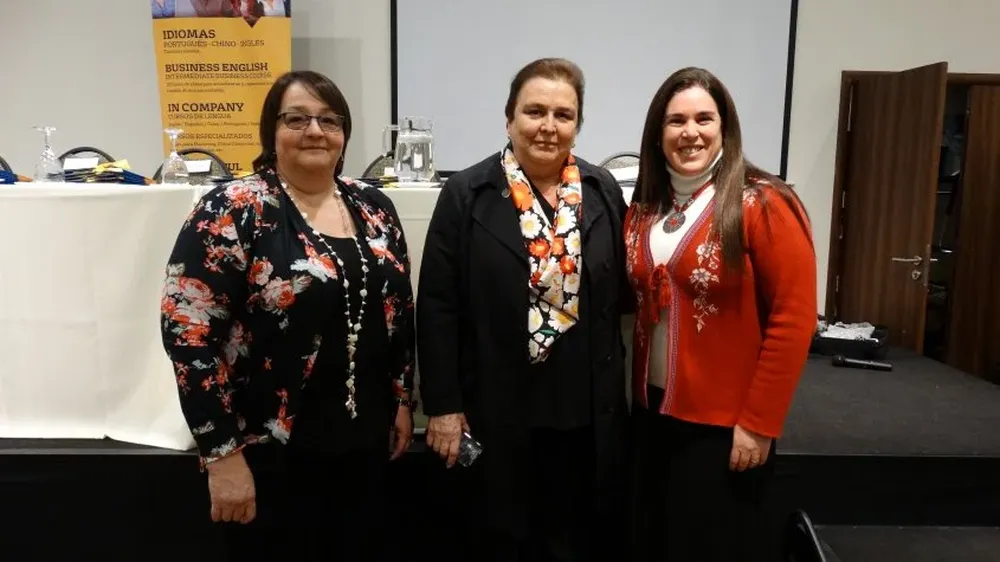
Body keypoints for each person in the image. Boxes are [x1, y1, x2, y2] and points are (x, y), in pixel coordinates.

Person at [159, 70, 416, 561]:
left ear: (345, 134)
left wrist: (402, 398)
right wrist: (222, 457)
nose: (315, 131)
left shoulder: (374, 207)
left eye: (328, 120)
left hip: (364, 445)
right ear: (271, 132)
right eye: (296, 119)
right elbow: (188, 336)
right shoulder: (231, 209)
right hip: (269, 451)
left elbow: (398, 312)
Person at [417, 57, 632, 562]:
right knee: (501, 539)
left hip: (585, 413)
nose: (548, 126)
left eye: (563, 114)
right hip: (497, 407)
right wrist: (444, 407)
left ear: (578, 125)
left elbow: (620, 290)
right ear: (509, 117)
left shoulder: (601, 191)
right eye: (535, 111)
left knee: (573, 542)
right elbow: (437, 306)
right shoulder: (466, 194)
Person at [624, 66, 817, 561]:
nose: (690, 132)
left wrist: (759, 423)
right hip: (652, 413)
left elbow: (793, 320)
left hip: (725, 424)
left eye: (704, 119)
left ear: (724, 128)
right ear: (657, 132)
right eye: (676, 121)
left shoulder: (764, 202)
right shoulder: (646, 207)